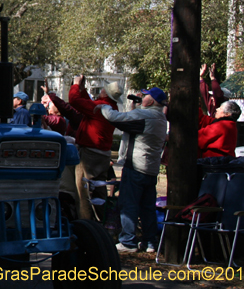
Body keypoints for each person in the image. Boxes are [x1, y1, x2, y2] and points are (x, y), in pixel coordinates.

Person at [97, 87, 168, 253]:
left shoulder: (145, 115)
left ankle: (127, 241)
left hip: (135, 167)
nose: (142, 97)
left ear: (152, 100)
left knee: (128, 204)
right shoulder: (160, 117)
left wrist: (104, 106)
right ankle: (149, 241)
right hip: (151, 169)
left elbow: (115, 118)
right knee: (147, 206)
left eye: (145, 96)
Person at [63, 76, 121, 221]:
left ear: (105, 94)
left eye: (103, 89)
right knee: (98, 190)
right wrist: (82, 90)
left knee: (84, 191)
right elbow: (87, 103)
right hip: (102, 153)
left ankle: (86, 224)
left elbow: (75, 102)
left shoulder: (100, 107)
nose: (101, 90)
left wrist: (76, 85)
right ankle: (102, 221)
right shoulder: (110, 107)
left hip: (90, 154)